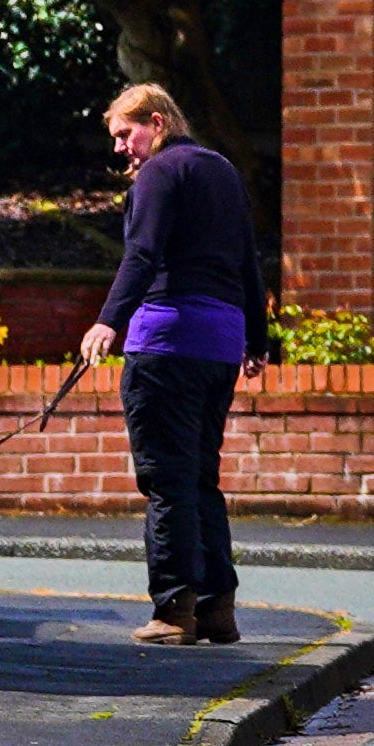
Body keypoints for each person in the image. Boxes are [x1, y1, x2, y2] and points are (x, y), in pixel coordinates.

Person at [101, 83, 256, 647]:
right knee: (200, 477)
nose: (121, 148)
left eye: (126, 133)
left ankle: (172, 611)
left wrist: (107, 321)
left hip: (166, 341)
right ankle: (218, 609)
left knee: (166, 480)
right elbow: (247, 259)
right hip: (220, 345)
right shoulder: (223, 171)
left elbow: (142, 254)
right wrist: (256, 340)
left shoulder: (160, 174)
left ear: (158, 122)